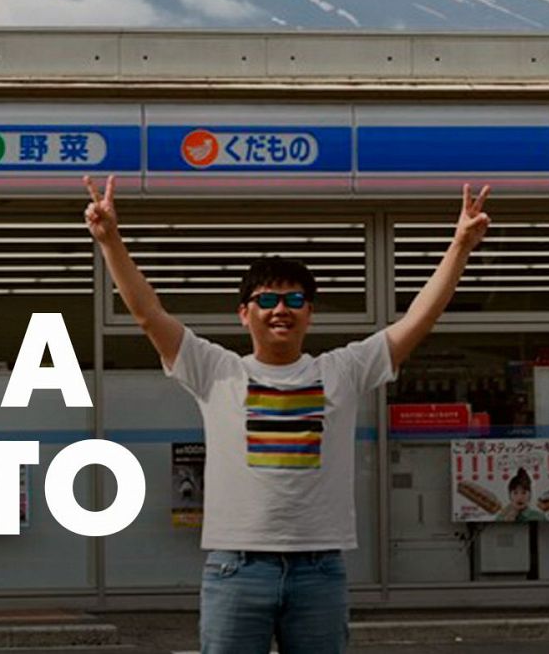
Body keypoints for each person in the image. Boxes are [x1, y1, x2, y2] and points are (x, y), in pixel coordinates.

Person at [83, 175, 490, 654]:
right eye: (268, 300)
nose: (282, 309)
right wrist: (110, 241)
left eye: (295, 300)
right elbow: (149, 314)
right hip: (236, 568)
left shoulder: (342, 370)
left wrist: (460, 245)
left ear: (309, 313)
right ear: (244, 313)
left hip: (318, 571)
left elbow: (418, 319)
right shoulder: (216, 370)